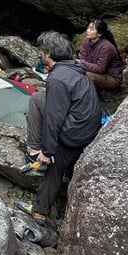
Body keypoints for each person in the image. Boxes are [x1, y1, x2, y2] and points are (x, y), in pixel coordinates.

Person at [19, 30, 102, 225]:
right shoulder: (74, 68)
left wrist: (48, 151)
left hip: (75, 135)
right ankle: (36, 149)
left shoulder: (57, 78)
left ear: (48, 53)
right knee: (38, 97)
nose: (41, 55)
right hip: (88, 127)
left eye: (41, 52)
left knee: (54, 165)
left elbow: (53, 117)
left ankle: (39, 211)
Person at [78, 18, 124, 90]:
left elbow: (100, 68)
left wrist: (82, 63)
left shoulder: (106, 47)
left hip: (111, 78)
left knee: (85, 75)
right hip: (94, 72)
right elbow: (82, 57)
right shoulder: (86, 41)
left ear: (99, 34)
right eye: (88, 28)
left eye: (91, 29)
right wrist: (82, 63)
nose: (87, 30)